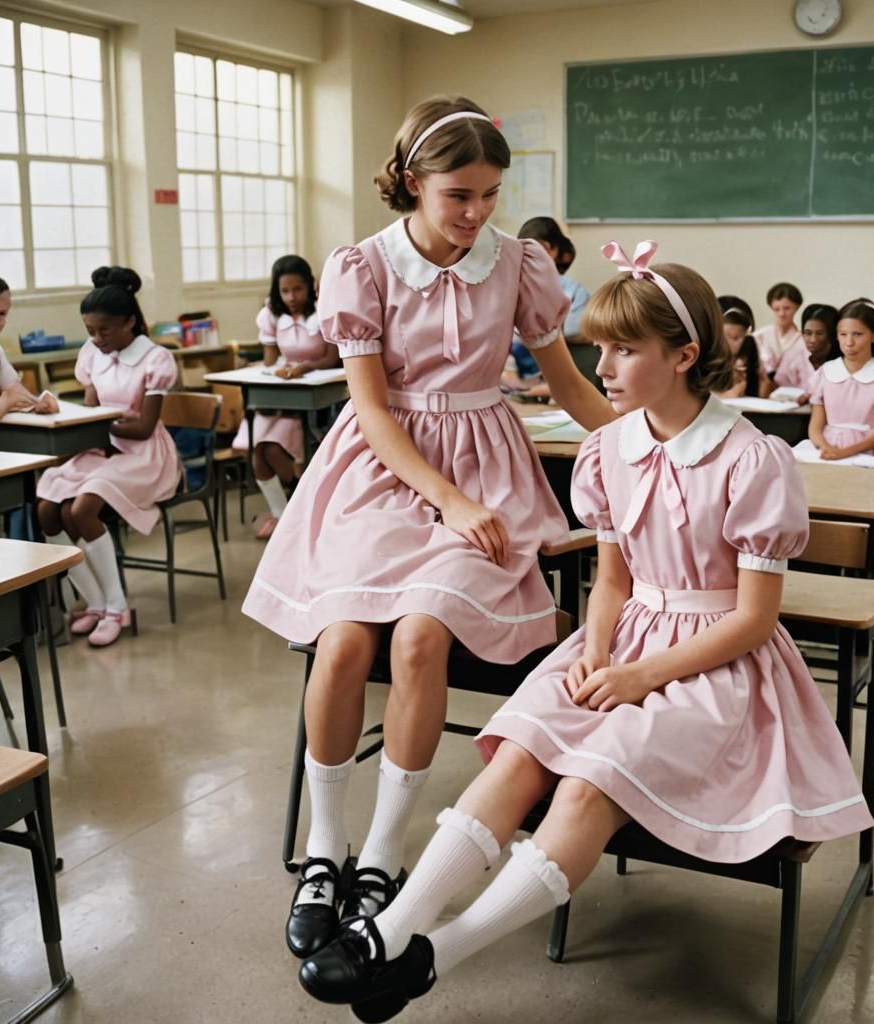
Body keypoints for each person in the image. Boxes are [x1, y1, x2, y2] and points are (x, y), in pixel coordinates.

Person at [295, 241, 873, 1021]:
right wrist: (598, 651)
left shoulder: (751, 458)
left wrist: (639, 676)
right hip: (622, 641)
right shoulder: (609, 450)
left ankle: (436, 954)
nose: (601, 367)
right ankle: (391, 931)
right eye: (599, 347)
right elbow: (613, 583)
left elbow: (753, 619)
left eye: (623, 350)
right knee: (521, 750)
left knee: (589, 781)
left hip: (714, 666)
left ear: (684, 356)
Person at [240, 96, 614, 959]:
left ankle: (382, 852)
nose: (477, 213)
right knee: (342, 646)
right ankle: (326, 850)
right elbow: (371, 410)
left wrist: (655, 443)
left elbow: (569, 384)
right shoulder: (363, 266)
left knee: (418, 638)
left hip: (487, 471)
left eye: (491, 195)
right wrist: (447, 500)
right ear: (414, 182)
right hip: (383, 471)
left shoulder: (518, 263)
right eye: (459, 195)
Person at [36, 267, 180, 647]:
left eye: (105, 331)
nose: (97, 339)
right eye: (90, 332)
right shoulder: (92, 355)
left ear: (130, 321)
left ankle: (117, 606)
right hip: (103, 447)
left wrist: (102, 426)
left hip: (144, 455)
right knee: (48, 508)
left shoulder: (155, 358)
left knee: (82, 508)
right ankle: (95, 602)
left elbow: (144, 428)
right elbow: (90, 412)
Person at [232, 255, 340, 539]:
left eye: (298, 289)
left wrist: (304, 367)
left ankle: (298, 502)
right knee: (257, 452)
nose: (291, 297)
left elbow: (332, 358)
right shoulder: (272, 314)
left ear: (311, 286)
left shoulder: (324, 309)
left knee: (271, 450)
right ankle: (283, 514)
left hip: (315, 394)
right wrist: (262, 370)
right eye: (285, 291)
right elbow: (270, 360)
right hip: (284, 392)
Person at [804, 298, 874, 460]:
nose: (849, 342)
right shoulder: (825, 372)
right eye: (843, 335)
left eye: (858, 334)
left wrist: (845, 453)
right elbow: (815, 427)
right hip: (826, 453)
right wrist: (827, 448)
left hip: (866, 454)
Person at [503, 218, 590, 396]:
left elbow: (578, 330)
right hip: (519, 365)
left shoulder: (572, 289)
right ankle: (529, 390)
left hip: (548, 363)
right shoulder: (510, 285)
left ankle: (531, 390)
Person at [0, 272, 58, 420]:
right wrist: (7, 401)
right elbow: (10, 397)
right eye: (0, 314)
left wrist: (38, 402)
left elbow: (13, 388)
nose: (3, 322)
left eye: (5, 314)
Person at [774, 302, 841, 397]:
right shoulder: (793, 356)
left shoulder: (842, 361)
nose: (812, 340)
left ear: (832, 334)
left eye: (819, 333)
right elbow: (779, 387)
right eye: (808, 333)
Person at [715, 297, 772, 398]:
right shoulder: (708, 361)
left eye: (736, 337)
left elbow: (761, 394)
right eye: (727, 336)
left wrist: (763, 384)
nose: (729, 343)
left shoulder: (751, 357)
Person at [753, 282, 803, 374]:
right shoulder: (759, 336)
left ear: (797, 307)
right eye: (776, 309)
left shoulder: (802, 340)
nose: (781, 314)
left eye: (787, 308)